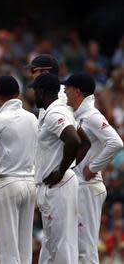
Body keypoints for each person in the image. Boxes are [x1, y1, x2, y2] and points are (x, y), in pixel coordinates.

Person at [0, 76, 38, 263]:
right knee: (24, 246)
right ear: (17, 94)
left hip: (6, 184)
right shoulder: (32, 118)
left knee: (7, 247)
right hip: (29, 182)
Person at [64, 73, 123, 263]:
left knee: (85, 248)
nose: (65, 91)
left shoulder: (91, 116)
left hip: (88, 187)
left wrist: (93, 167)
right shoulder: (79, 115)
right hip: (80, 186)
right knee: (76, 247)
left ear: (77, 91)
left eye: (68, 88)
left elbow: (115, 142)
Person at [29, 73, 81, 263]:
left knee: (61, 245)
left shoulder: (55, 113)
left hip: (58, 186)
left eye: (34, 91)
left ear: (42, 92)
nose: (33, 95)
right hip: (57, 185)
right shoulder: (56, 110)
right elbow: (83, 141)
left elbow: (74, 140)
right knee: (53, 245)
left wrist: (61, 170)